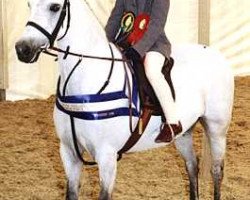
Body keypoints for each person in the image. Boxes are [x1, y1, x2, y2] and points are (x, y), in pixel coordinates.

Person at [105, 0, 182, 143]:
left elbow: (156, 25)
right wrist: (104, 43)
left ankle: (172, 122)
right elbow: (115, 18)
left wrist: (138, 49)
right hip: (126, 41)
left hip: (153, 45)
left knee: (152, 71)